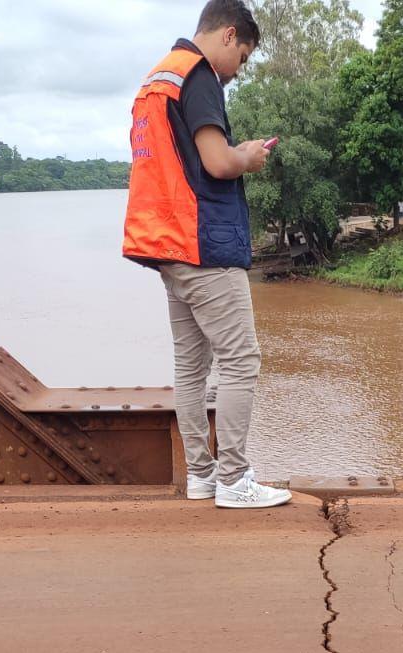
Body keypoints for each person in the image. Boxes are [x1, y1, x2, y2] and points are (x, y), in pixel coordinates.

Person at [122, 0, 291, 509]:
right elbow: (218, 163)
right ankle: (234, 479)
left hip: (168, 245)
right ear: (228, 35)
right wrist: (251, 157)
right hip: (204, 246)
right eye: (243, 57)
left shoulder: (158, 79)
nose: (239, 71)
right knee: (241, 360)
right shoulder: (199, 77)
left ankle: (202, 474)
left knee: (191, 364)